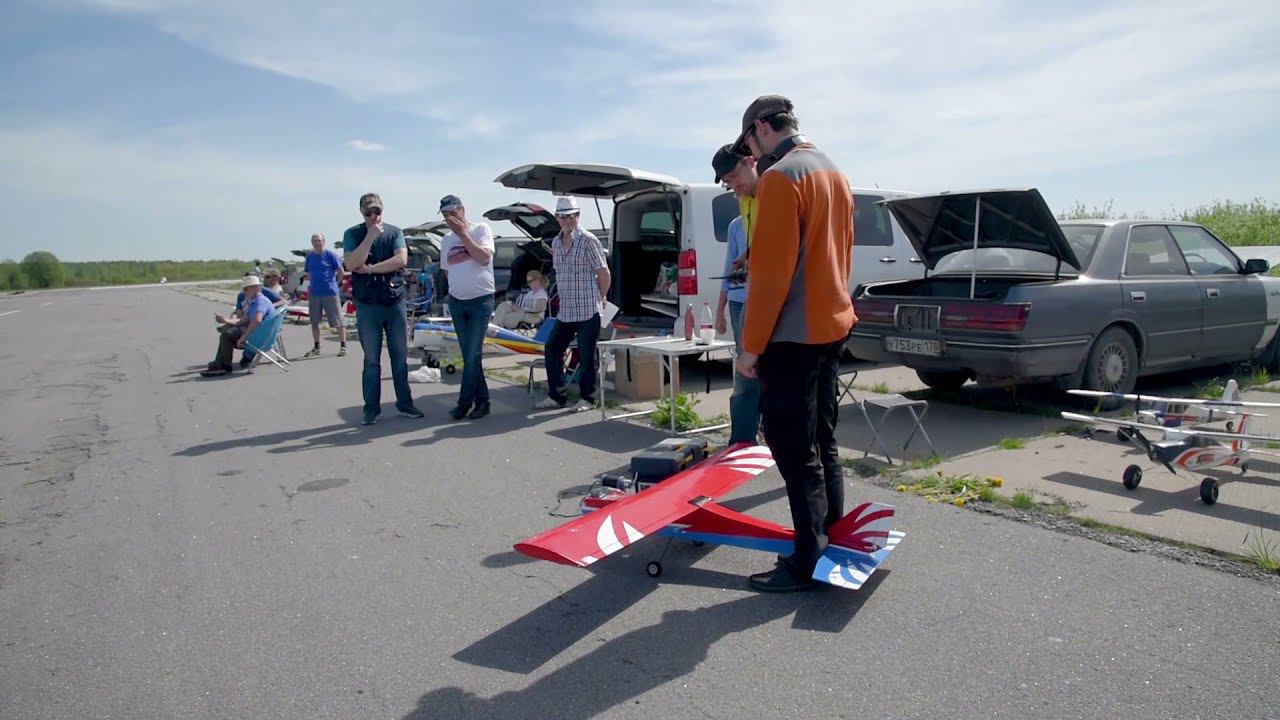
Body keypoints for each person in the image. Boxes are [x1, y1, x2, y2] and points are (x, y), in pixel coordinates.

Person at [732, 95, 855, 593]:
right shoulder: (832, 170)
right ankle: (833, 536)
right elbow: (842, 251)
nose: (751, 154)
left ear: (762, 128)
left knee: (793, 447)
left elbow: (770, 277)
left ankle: (807, 560)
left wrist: (751, 348)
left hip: (793, 335)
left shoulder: (782, 178)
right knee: (824, 439)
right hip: (833, 324)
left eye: (749, 144)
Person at [343, 192, 423, 425]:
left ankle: (405, 403)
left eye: (377, 211)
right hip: (368, 305)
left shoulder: (395, 232)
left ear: (382, 210)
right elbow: (351, 263)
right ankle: (371, 409)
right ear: (362, 213)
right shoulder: (352, 234)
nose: (373, 216)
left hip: (394, 302)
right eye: (368, 212)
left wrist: (369, 269)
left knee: (400, 357)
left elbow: (401, 260)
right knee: (371, 360)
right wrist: (369, 238)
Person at [536, 196, 610, 412]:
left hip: (588, 308)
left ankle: (588, 398)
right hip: (567, 310)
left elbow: (603, 272)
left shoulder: (588, 240)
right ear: (557, 218)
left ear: (578, 216)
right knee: (552, 349)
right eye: (563, 217)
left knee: (587, 356)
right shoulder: (556, 243)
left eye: (572, 216)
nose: (568, 220)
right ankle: (557, 395)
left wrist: (601, 297)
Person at [711, 144, 763, 445]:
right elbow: (728, 270)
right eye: (728, 184)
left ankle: (761, 433)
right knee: (745, 369)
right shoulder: (736, 223)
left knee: (757, 367)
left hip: (762, 299)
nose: (735, 188)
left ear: (750, 162)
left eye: (734, 179)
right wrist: (719, 310)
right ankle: (742, 438)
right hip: (740, 300)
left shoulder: (769, 199)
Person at [438, 194, 496, 421]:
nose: (449, 218)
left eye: (452, 213)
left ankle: (464, 403)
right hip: (457, 301)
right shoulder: (446, 240)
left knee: (472, 354)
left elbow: (484, 258)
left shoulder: (480, 230)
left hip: (480, 300)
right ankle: (483, 401)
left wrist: (463, 234)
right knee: (470, 355)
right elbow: (446, 270)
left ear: (462, 210)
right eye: (445, 215)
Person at [202, 275, 276, 377]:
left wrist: (243, 337)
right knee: (227, 334)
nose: (244, 292)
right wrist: (225, 320)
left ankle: (223, 365)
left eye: (246, 289)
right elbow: (244, 320)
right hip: (261, 335)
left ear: (255, 288)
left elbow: (257, 320)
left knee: (226, 336)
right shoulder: (255, 302)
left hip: (258, 338)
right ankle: (220, 364)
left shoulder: (260, 302)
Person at [301, 232, 349, 358]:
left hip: (330, 292)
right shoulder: (310, 257)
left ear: (323, 241)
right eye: (314, 241)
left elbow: (341, 272)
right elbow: (307, 273)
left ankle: (343, 346)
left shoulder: (331, 255)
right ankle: (317, 347)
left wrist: (336, 284)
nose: (317, 243)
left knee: (338, 320)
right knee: (314, 321)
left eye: (319, 240)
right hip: (315, 293)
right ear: (312, 242)